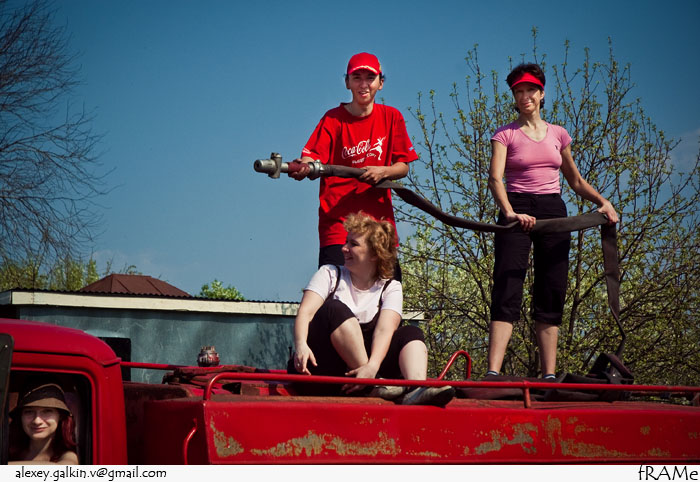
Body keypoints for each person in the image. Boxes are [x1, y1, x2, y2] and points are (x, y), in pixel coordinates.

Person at [486, 63, 619, 379]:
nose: (525, 96)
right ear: (514, 97)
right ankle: (492, 372)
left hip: (552, 210)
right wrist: (509, 212)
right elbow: (495, 178)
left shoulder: (559, 134)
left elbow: (575, 181)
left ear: (542, 94)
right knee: (508, 284)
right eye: (519, 91)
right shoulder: (504, 134)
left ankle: (549, 374)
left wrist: (602, 202)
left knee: (551, 287)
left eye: (530, 90)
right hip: (517, 207)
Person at [289, 212, 454, 406]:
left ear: (374, 254)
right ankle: (372, 386)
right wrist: (301, 344)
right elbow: (306, 312)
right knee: (335, 309)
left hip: (371, 372)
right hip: (324, 371)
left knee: (411, 332)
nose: (344, 248)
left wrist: (372, 366)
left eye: (353, 244)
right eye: (346, 242)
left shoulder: (391, 287)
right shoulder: (329, 274)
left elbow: (385, 330)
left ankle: (416, 389)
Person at [289, 52, 418, 279]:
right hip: (339, 227)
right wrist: (303, 166)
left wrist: (384, 171)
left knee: (388, 293)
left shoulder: (392, 117)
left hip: (379, 228)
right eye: (356, 77)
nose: (363, 84)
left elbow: (403, 166)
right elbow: (311, 157)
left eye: (370, 78)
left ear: (381, 83)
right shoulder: (332, 119)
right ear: (347, 83)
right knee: (336, 292)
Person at [9, 383, 79, 465]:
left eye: (47, 411)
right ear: (20, 416)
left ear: (60, 415)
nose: (37, 421)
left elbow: (64, 469)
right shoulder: (7, 450)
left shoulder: (68, 456)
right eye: (29, 411)